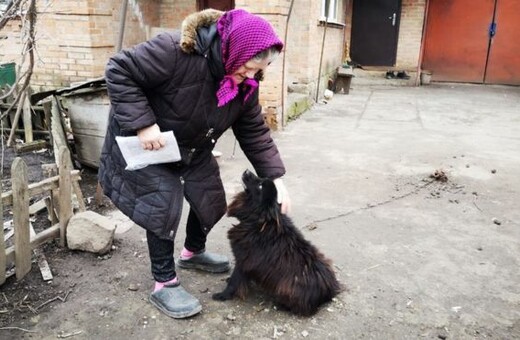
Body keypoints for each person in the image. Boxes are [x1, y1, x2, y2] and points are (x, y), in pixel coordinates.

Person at [98, 8, 291, 319]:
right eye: (248, 69)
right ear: (233, 51)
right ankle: (164, 283)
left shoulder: (244, 84)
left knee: (210, 201)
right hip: (150, 143)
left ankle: (192, 253)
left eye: (260, 70)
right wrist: (144, 125)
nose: (253, 77)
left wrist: (275, 179)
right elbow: (119, 69)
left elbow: (253, 130)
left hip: (193, 146)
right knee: (161, 206)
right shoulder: (174, 51)